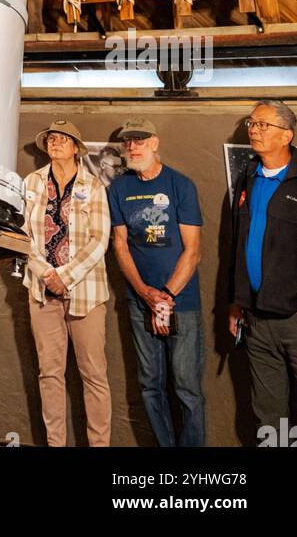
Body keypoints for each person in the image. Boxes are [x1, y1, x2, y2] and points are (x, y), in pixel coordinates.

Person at [108, 117, 204, 448]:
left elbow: (193, 252)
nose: (132, 146)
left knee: (187, 386)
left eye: (139, 139)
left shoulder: (181, 185)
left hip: (181, 303)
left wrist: (165, 296)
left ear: (155, 142)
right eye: (127, 141)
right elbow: (119, 245)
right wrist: (143, 293)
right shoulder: (118, 189)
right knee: (150, 384)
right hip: (140, 302)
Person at [24, 117, 112, 447]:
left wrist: (66, 276)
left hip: (86, 294)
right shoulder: (31, 183)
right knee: (50, 374)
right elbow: (22, 234)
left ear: (76, 148)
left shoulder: (94, 186)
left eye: (63, 138)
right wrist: (47, 274)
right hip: (42, 290)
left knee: (94, 375)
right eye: (50, 138)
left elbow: (99, 239)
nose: (55, 142)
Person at [227, 100, 297, 436]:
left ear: (287, 135)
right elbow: (237, 245)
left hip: (294, 320)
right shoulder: (248, 178)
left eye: (262, 124)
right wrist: (237, 302)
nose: (253, 130)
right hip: (256, 320)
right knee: (270, 417)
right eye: (251, 123)